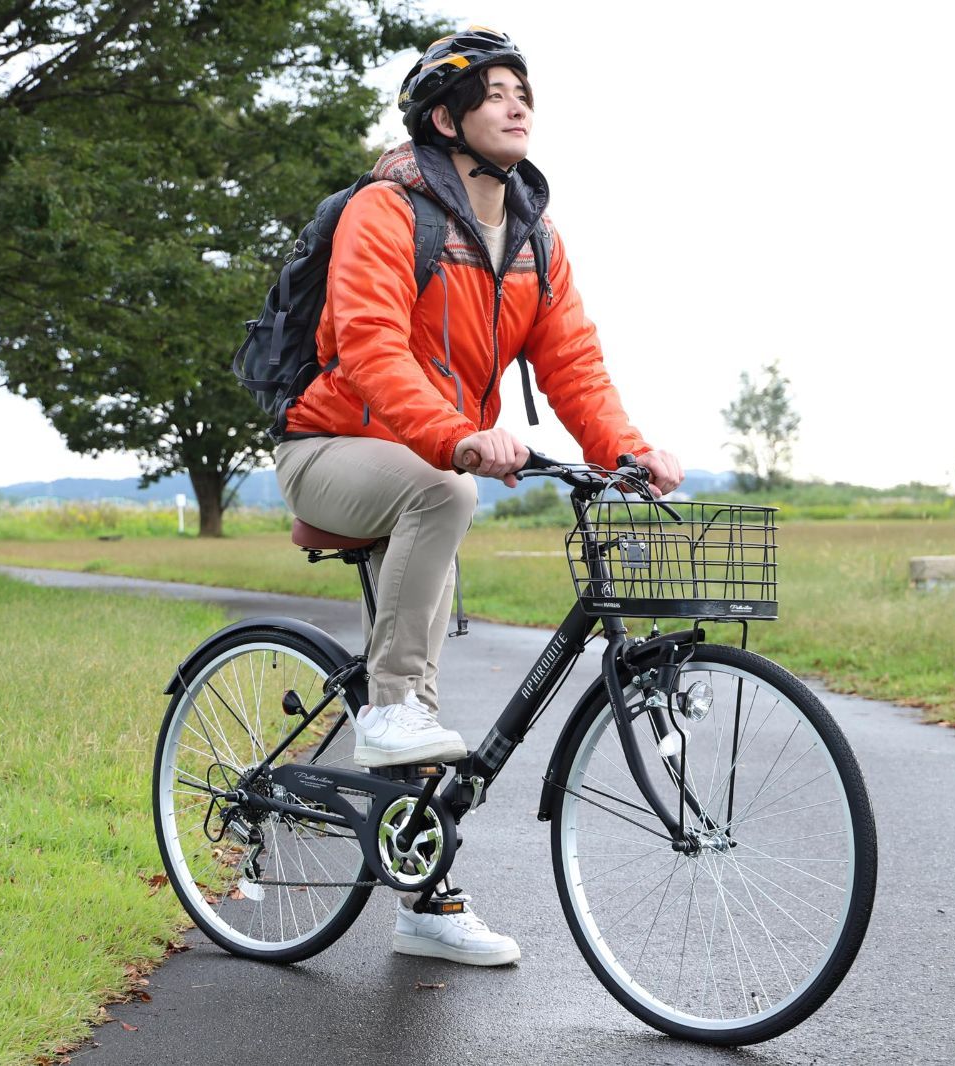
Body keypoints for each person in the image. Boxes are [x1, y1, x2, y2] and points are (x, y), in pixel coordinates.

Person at [273, 27, 684, 967]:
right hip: (331, 444)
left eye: (522, 90)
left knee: (424, 669)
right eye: (492, 92)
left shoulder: (535, 238)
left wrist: (628, 450)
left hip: (425, 467)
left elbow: (574, 365)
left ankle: (424, 900)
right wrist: (457, 435)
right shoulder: (386, 212)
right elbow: (370, 348)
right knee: (443, 511)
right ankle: (385, 710)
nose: (516, 103)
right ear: (446, 118)